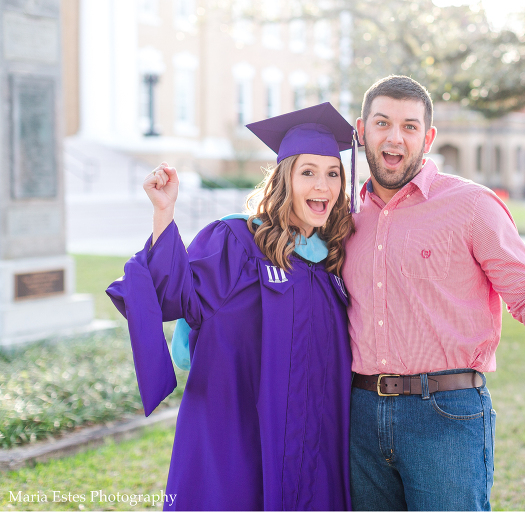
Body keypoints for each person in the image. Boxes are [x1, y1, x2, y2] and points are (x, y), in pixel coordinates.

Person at [342, 75, 525, 511]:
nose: (395, 137)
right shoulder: (345, 217)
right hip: (358, 415)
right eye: (382, 123)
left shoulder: (472, 206)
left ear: (428, 137)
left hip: (445, 416)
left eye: (410, 127)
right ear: (361, 130)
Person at [106, 103, 356, 511]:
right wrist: (163, 213)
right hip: (239, 432)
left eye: (332, 173)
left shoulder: (332, 261)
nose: (323, 186)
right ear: (283, 179)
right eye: (307, 172)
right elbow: (175, 294)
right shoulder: (238, 242)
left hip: (316, 442)